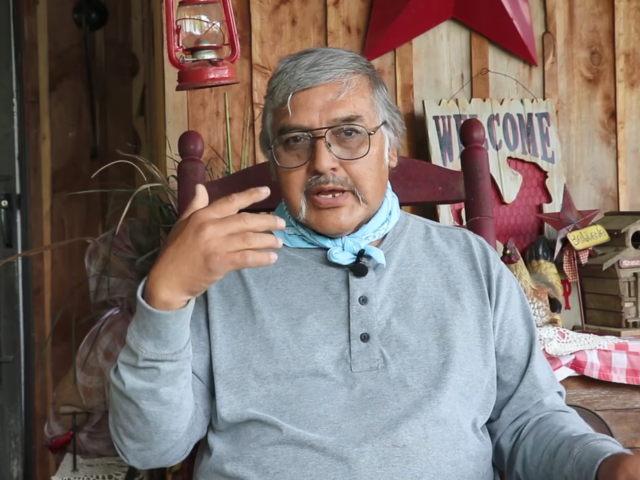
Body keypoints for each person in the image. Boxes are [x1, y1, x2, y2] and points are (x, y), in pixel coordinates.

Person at [108, 47, 640, 480]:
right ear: (276, 159)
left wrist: (605, 465)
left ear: (389, 149)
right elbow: (150, 448)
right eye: (296, 141)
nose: (322, 162)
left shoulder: (469, 264)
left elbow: (527, 423)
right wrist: (165, 297)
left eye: (348, 134)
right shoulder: (219, 269)